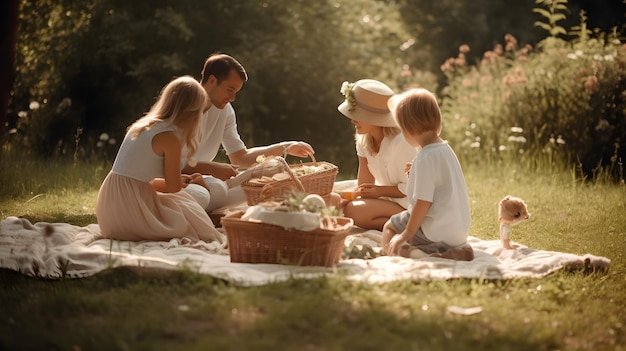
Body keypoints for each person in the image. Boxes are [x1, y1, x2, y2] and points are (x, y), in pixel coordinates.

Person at [95, 76, 223, 243]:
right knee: (187, 208)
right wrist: (190, 183)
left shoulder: (143, 125)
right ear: (192, 112)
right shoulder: (170, 137)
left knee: (185, 205)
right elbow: (174, 188)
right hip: (128, 210)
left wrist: (178, 180)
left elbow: (136, 179)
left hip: (110, 209)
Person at [181, 53, 316, 211]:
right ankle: (197, 206)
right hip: (174, 182)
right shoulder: (182, 107)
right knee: (202, 195)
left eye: (236, 92)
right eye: (230, 90)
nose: (232, 98)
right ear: (212, 81)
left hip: (202, 183)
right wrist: (213, 168)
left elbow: (240, 158)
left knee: (262, 186)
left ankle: (202, 205)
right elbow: (167, 164)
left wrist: (286, 147)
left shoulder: (226, 111)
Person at [382, 88, 473, 261]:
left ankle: (396, 255)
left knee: (390, 227)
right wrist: (415, 169)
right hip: (458, 232)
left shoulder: (425, 157)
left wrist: (407, 233)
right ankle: (455, 250)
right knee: (405, 228)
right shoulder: (445, 149)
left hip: (436, 230)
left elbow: (423, 202)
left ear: (408, 128)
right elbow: (438, 180)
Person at [336, 79, 417, 231]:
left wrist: (380, 191)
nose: (353, 120)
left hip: (412, 203)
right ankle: (400, 225)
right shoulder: (363, 140)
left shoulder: (401, 142)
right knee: (343, 205)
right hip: (389, 200)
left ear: (375, 118)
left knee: (354, 211)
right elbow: (364, 183)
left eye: (358, 115)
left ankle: (413, 225)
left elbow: (413, 188)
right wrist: (353, 196)